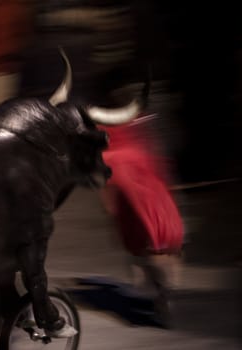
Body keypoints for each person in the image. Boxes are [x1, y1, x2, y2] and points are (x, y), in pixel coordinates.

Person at [98, 114, 184, 327]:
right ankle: (163, 291)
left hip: (132, 187)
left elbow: (105, 172)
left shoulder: (109, 135)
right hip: (144, 185)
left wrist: (109, 205)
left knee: (145, 245)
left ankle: (159, 289)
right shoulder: (136, 123)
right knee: (159, 241)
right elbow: (156, 154)